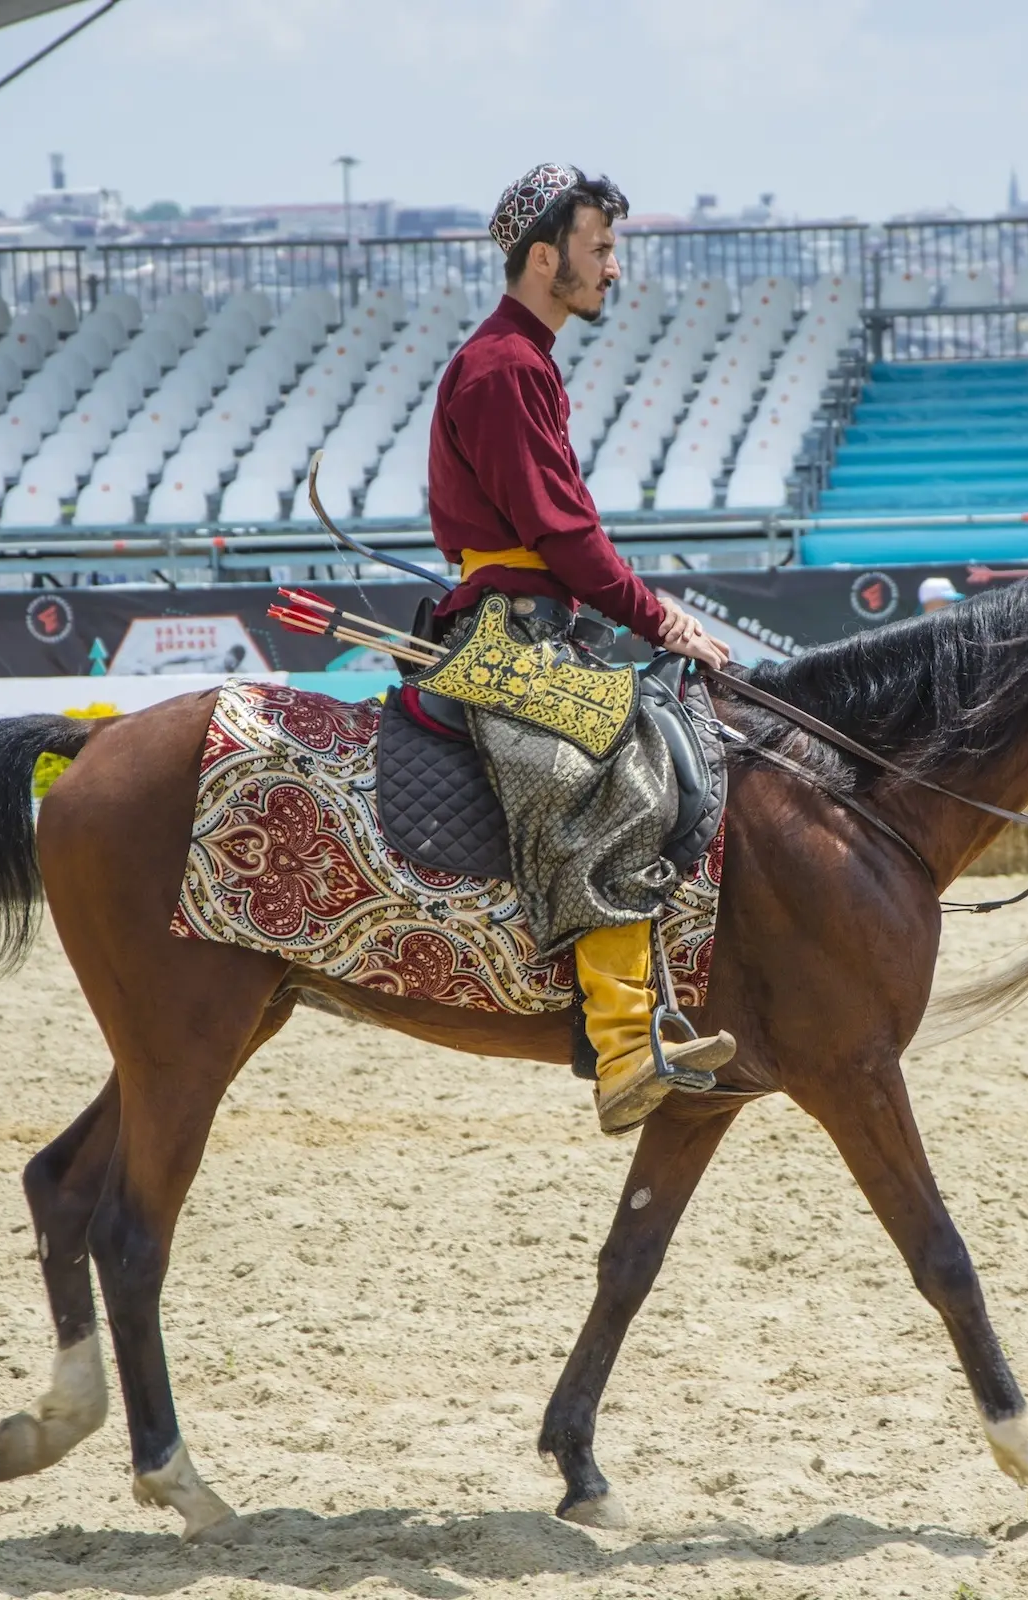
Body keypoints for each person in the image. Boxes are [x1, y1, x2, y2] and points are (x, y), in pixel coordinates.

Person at [426, 162, 736, 1134]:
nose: (613, 269)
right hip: (503, 634)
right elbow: (565, 536)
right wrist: (661, 620)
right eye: (601, 249)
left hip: (527, 617)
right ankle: (621, 1047)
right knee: (619, 758)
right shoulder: (505, 366)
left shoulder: (522, 359)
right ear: (546, 255)